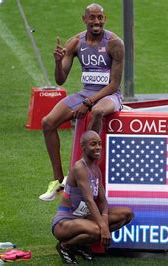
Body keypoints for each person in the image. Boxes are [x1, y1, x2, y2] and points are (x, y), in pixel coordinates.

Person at [40, 3, 124, 201]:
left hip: (109, 96)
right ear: (84, 19)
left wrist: (88, 103)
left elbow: (114, 85)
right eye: (92, 18)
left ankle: (79, 169)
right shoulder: (75, 43)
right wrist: (57, 62)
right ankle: (57, 179)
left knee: (96, 112)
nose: (96, 22)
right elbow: (60, 80)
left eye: (100, 18)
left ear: (105, 19)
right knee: (47, 122)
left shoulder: (114, 43)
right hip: (85, 93)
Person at [51, 130, 134, 264]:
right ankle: (65, 246)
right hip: (65, 222)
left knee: (126, 214)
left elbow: (102, 200)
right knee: (97, 230)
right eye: (93, 144)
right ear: (83, 146)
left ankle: (80, 244)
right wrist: (103, 227)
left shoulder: (95, 169)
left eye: (99, 144)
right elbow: (89, 200)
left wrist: (105, 218)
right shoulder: (79, 167)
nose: (98, 147)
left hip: (84, 218)